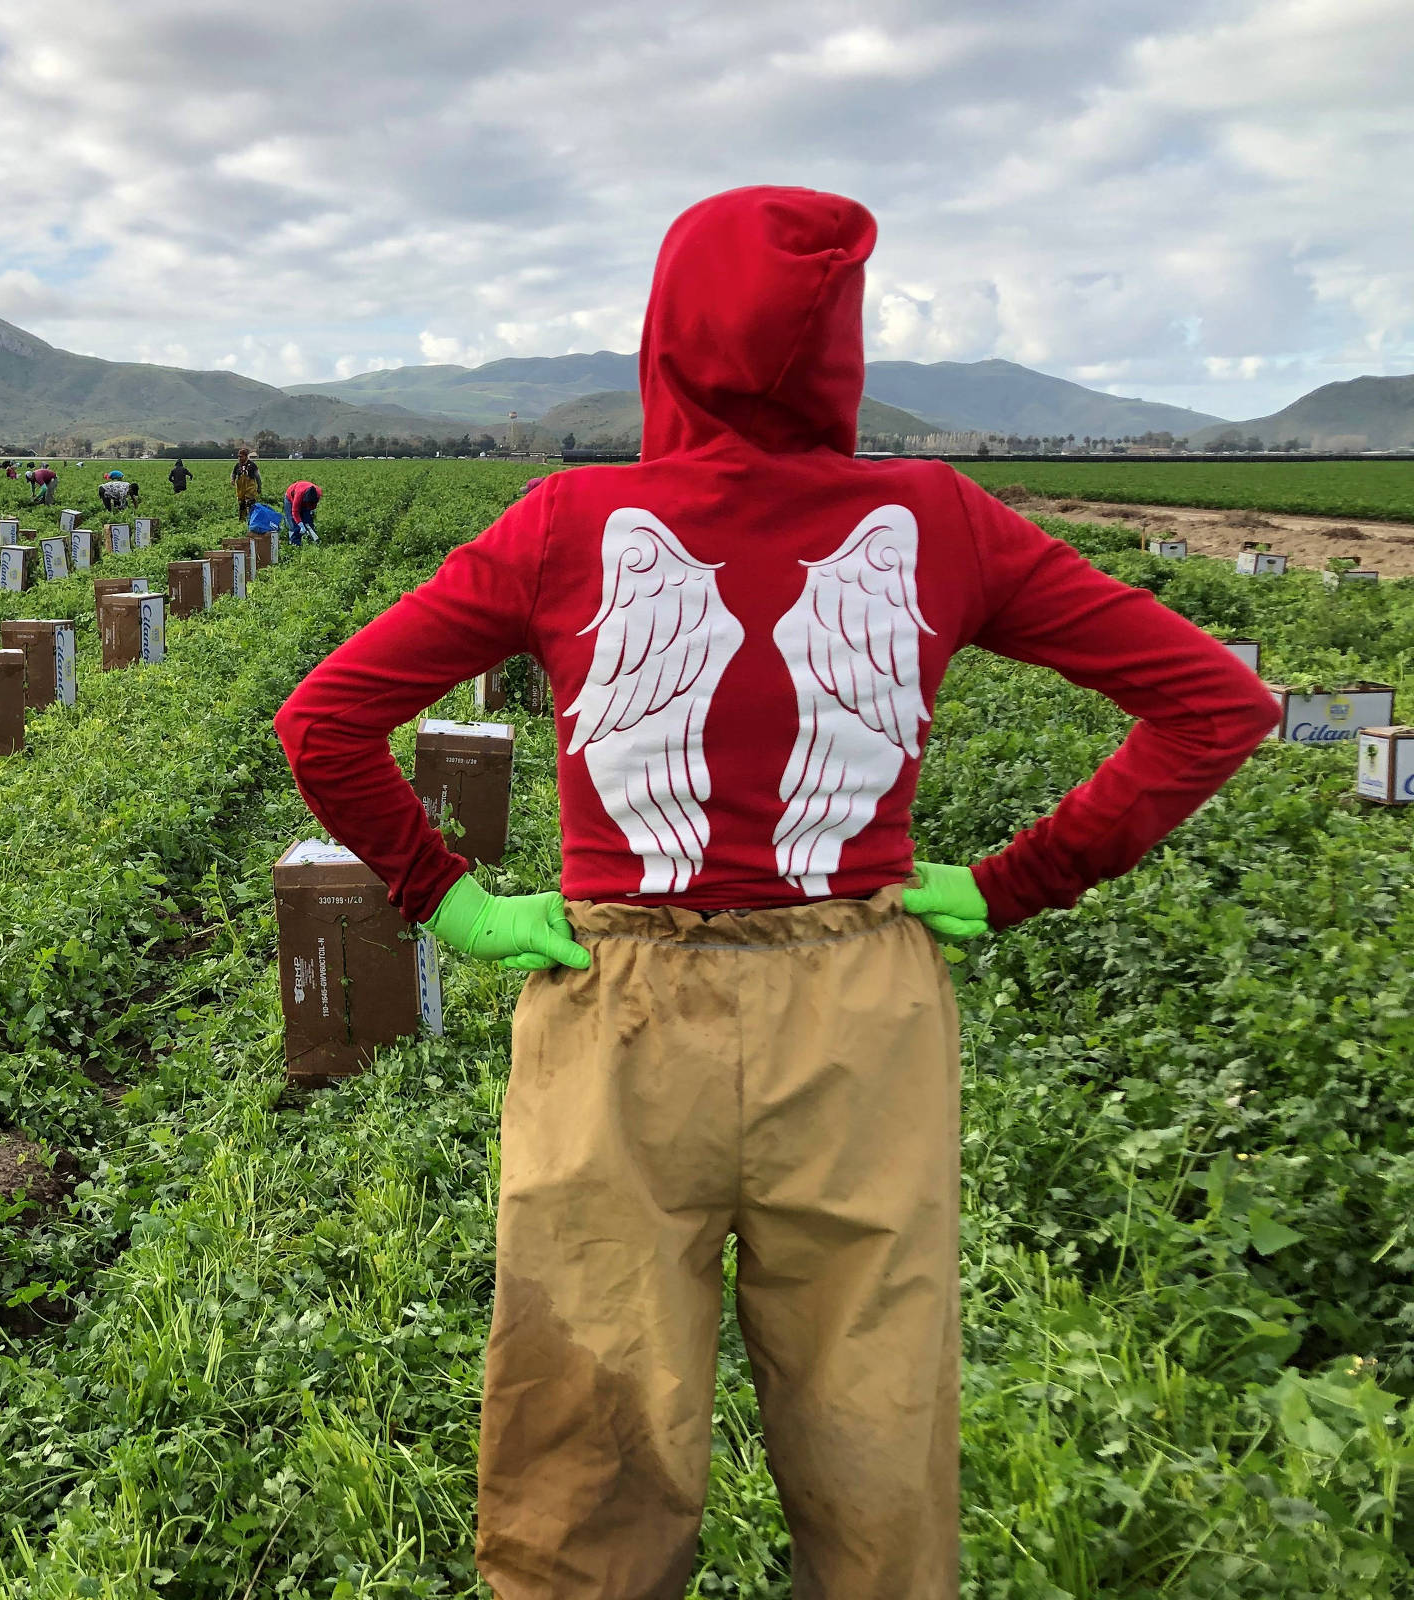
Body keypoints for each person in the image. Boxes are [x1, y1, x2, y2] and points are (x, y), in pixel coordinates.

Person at [271, 186, 1276, 1600]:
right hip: (863, 1015)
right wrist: (1018, 880)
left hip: (616, 1014)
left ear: (666, 338)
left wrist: (453, 903)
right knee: (876, 1434)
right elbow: (1214, 703)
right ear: (842, 350)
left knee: (587, 1438)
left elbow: (324, 720)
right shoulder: (935, 521)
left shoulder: (574, 523)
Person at [282, 479, 321, 544]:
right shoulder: (299, 495)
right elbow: (295, 511)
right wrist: (300, 525)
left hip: (305, 499)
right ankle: (294, 544)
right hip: (290, 499)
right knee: (294, 524)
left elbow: (313, 505)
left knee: (308, 521)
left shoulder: (318, 493)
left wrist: (311, 511)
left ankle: (311, 542)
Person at [231, 447, 261, 521]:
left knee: (250, 504)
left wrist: (259, 487)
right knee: (241, 505)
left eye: (241, 456)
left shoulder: (252, 465)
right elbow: (233, 473)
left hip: (250, 489)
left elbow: (257, 476)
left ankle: (252, 521)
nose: (239, 458)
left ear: (246, 456)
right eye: (238, 457)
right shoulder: (237, 465)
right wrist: (232, 479)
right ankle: (242, 521)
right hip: (240, 490)